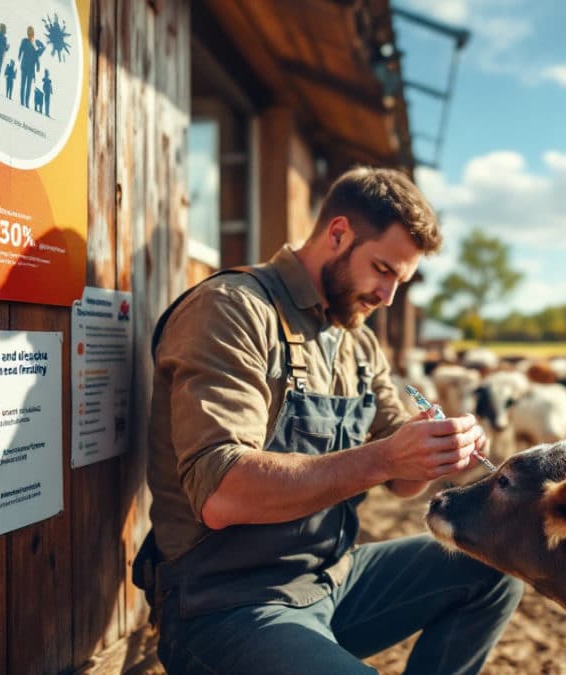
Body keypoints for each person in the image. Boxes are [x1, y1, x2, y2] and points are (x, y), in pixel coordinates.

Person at [137, 167, 522, 674]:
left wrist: (435, 451)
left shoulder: (358, 342)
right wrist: (385, 455)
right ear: (337, 233)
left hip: (331, 579)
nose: (388, 297)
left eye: (400, 282)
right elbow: (222, 495)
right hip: (227, 601)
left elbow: (402, 483)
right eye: (382, 269)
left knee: (495, 567)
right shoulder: (233, 310)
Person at [17, 27, 45, 108]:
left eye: (31, 34)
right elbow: (21, 50)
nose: (31, 35)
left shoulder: (30, 44)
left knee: (26, 86)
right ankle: (24, 102)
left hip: (27, 67)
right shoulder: (28, 43)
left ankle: (24, 102)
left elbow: (36, 56)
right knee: (25, 86)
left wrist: (38, 66)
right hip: (27, 67)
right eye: (30, 33)